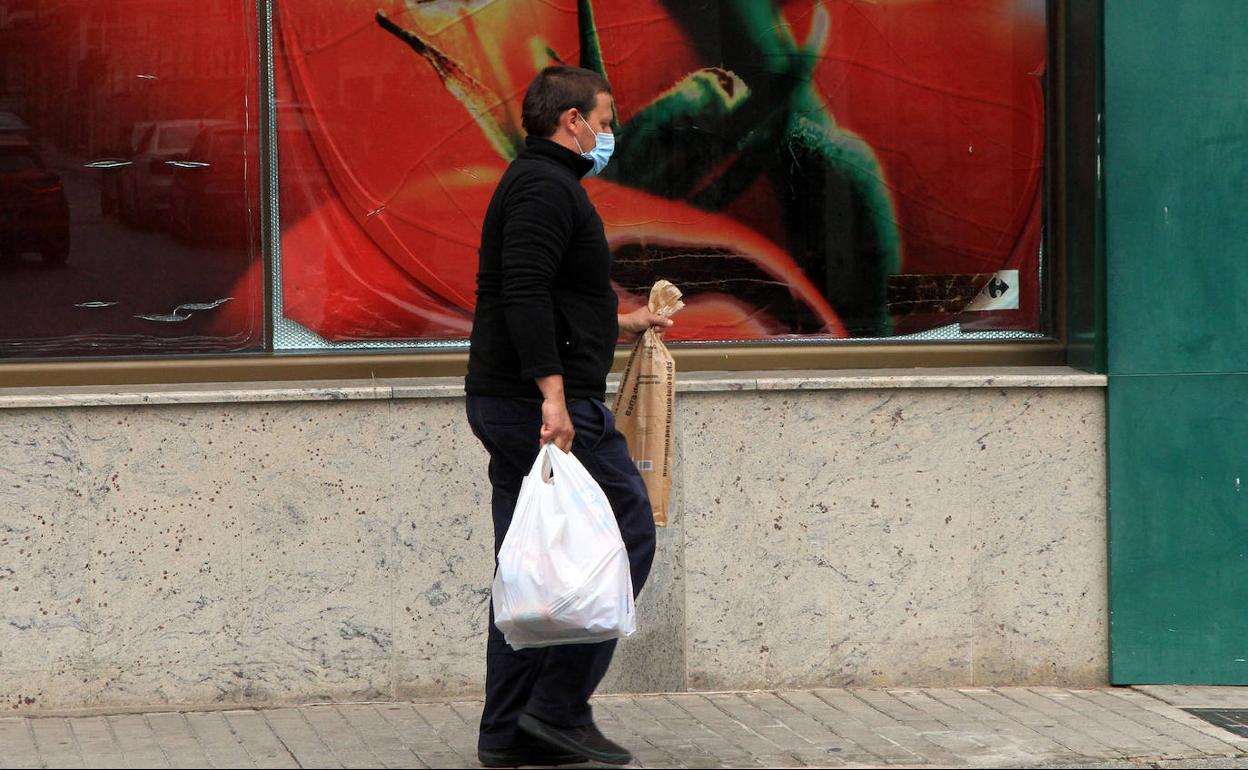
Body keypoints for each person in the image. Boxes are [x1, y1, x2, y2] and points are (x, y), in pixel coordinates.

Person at [464, 65, 672, 768]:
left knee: (529, 571)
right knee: (626, 532)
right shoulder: (544, 188)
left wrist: (625, 319)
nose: (610, 133)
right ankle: (555, 710)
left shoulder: (544, 185)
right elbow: (522, 294)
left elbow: (555, 299)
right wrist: (553, 397)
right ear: (572, 121)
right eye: (606, 120)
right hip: (540, 405)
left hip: (522, 399)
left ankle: (508, 735)